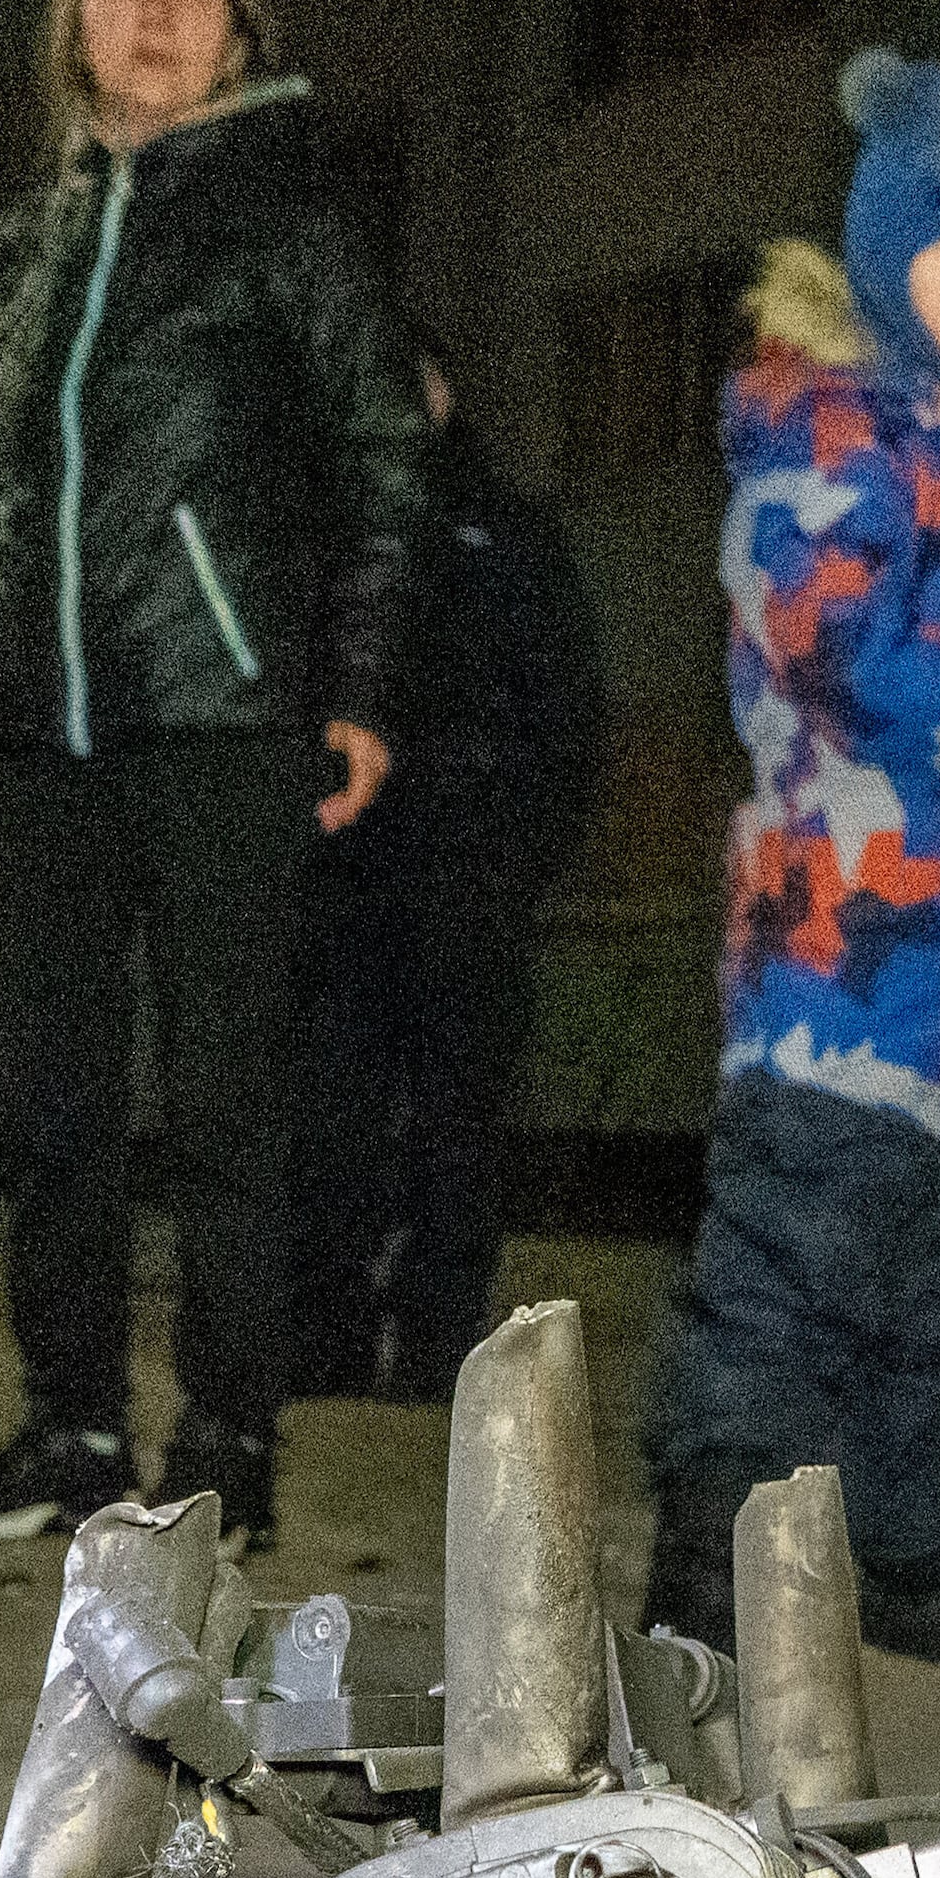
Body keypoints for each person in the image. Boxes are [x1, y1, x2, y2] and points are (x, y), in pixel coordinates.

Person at [0, 0, 430, 1554]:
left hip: (226, 721)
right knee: (54, 1109)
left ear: (241, 33)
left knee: (229, 1107)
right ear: (72, 20)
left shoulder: (291, 234)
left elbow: (388, 462)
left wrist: (360, 690)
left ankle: (229, 1443)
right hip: (35, 736)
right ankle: (70, 1429)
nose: (155, 9)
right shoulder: (2, 256)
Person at [638, 50, 940, 1672]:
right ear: (894, 253)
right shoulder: (825, 440)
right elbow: (827, 650)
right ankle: (716, 1539)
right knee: (795, 1267)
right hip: (839, 964)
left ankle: (923, 1549)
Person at [289, 342, 611, 1402]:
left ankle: (438, 1350)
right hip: (348, 873)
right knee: (331, 1111)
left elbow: (566, 707)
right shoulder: (322, 535)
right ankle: (327, 1336)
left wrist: (520, 853)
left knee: (458, 1121)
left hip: (472, 873)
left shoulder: (506, 531)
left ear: (442, 392)